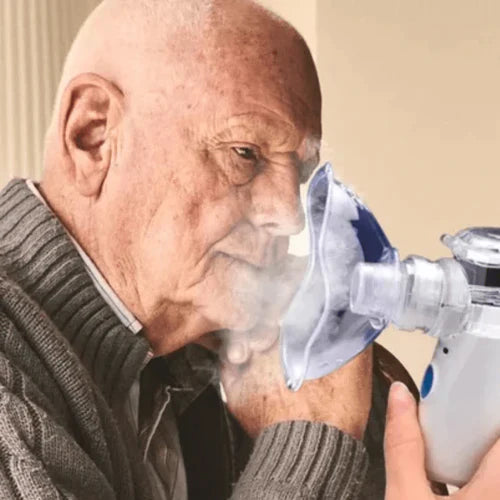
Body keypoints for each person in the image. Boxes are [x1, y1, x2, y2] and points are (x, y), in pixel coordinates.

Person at [0, 0, 498, 498]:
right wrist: (308, 442)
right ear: (92, 135)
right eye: (245, 153)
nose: (290, 213)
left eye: (299, 173)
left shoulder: (201, 357)